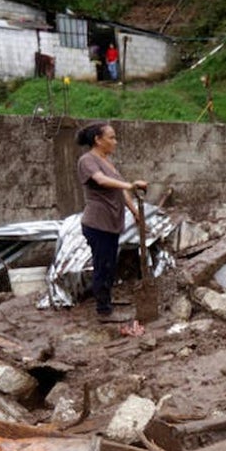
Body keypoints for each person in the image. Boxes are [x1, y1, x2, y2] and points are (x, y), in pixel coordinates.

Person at [75, 122, 147, 321]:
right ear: (98, 140)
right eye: (111, 137)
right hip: (97, 223)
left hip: (111, 222)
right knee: (103, 266)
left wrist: (135, 212)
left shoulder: (107, 161)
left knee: (109, 265)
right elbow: (101, 180)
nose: (115, 142)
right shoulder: (87, 160)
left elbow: (120, 190)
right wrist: (130, 185)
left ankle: (105, 301)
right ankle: (104, 311)